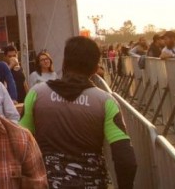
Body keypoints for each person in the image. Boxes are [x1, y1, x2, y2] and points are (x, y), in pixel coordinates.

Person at [20, 36, 136, 188]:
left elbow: (20, 143)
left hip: (46, 183)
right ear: (95, 68)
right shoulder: (105, 101)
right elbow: (126, 159)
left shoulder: (36, 93)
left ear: (64, 63)